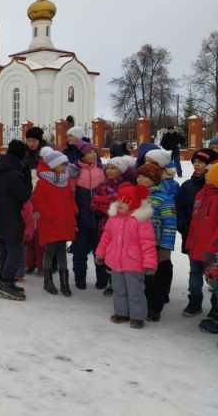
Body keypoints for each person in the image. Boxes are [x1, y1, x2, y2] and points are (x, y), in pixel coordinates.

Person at [95, 183, 158, 329]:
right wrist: (100, 253)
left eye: (125, 201)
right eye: (119, 200)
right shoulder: (114, 218)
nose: (120, 204)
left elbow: (147, 244)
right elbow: (106, 238)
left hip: (133, 263)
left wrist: (149, 264)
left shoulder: (141, 221)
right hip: (115, 262)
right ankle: (121, 313)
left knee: (135, 291)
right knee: (119, 289)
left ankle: (137, 316)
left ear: (133, 203)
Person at [0, 140, 33, 300]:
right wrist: (26, 174)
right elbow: (25, 195)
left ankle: (3, 279)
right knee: (15, 250)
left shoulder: (0, 168)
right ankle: (5, 282)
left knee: (5, 250)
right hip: (11, 216)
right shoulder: (14, 174)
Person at [32, 147, 76, 296]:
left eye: (65, 164)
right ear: (53, 166)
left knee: (62, 252)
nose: (65, 167)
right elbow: (38, 201)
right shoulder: (43, 183)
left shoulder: (66, 182)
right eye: (62, 164)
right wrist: (51, 214)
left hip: (63, 222)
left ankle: (64, 282)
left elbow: (70, 200)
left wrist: (73, 212)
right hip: (50, 223)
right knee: (49, 251)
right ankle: (48, 281)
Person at [136, 163, 177, 322]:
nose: (140, 179)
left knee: (157, 278)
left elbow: (170, 223)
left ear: (154, 179)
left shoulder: (164, 198)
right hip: (137, 244)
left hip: (156, 244)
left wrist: (166, 247)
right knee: (142, 278)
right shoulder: (134, 196)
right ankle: (142, 303)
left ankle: (155, 307)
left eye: (144, 176)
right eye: (138, 176)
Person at [90, 155, 135, 295]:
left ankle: (120, 282)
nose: (108, 171)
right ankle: (110, 281)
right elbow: (93, 203)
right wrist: (101, 204)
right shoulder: (102, 184)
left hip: (121, 226)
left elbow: (121, 203)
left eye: (113, 168)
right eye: (107, 168)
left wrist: (104, 202)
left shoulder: (126, 186)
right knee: (107, 252)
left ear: (121, 170)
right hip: (103, 225)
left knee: (119, 253)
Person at [68, 140, 108, 290]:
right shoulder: (74, 171)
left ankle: (102, 279)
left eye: (93, 152)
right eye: (89, 152)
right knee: (79, 251)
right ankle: (80, 278)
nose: (93, 154)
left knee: (100, 250)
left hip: (99, 220)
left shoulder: (102, 170)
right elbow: (69, 196)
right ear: (81, 155)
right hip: (80, 219)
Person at [185, 163, 218, 331]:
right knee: (194, 276)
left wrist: (211, 251)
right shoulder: (201, 194)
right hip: (196, 246)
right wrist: (190, 242)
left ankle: (215, 311)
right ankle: (195, 300)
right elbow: (194, 221)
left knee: (214, 281)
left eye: (210, 174)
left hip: (211, 251)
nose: (206, 176)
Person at [176, 149, 218, 262]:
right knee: (194, 270)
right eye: (194, 161)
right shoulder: (187, 186)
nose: (196, 164)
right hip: (192, 236)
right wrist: (183, 225)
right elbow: (180, 207)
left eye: (200, 161)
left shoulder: (215, 187)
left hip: (212, 240)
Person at [23, 126, 47, 275]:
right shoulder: (25, 155)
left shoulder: (46, 155)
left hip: (42, 197)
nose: (31, 143)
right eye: (29, 140)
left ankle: (42, 264)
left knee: (41, 234)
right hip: (28, 196)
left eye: (34, 141)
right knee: (29, 232)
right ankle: (29, 262)